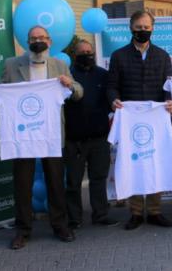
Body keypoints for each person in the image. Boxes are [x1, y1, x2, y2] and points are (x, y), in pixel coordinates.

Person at [0, 25, 82, 249]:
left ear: (50, 41)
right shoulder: (11, 65)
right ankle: (23, 230)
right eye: (33, 38)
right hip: (22, 135)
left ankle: (60, 226)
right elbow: (2, 96)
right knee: (22, 184)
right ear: (27, 42)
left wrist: (70, 85)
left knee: (56, 182)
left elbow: (78, 92)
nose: (38, 41)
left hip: (52, 133)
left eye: (42, 38)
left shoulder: (60, 65)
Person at [107, 10, 172, 230]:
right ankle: (135, 212)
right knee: (133, 163)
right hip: (131, 121)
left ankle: (155, 211)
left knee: (155, 161)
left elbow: (169, 86)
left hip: (156, 120)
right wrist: (114, 100)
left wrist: (170, 102)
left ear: (152, 29)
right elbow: (111, 85)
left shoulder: (163, 56)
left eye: (146, 27)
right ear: (131, 28)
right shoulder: (119, 56)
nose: (142, 31)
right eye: (138, 28)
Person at [63, 40, 117, 229]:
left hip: (99, 137)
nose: (87, 54)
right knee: (73, 181)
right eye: (82, 52)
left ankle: (100, 214)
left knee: (99, 178)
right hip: (74, 139)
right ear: (74, 55)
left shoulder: (103, 75)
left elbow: (111, 97)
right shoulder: (67, 77)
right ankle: (74, 218)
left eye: (89, 51)